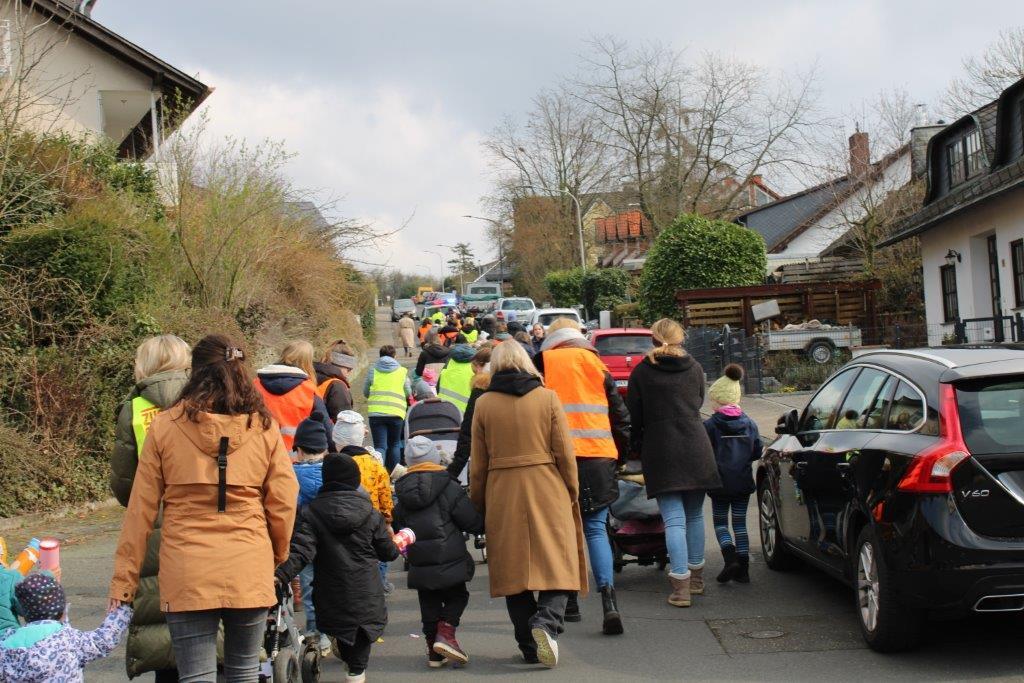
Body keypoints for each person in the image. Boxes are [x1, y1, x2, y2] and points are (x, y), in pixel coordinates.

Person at [109, 334, 299, 681]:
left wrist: (124, 581)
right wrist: (276, 555)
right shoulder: (263, 427)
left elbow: (140, 511)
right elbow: (284, 500)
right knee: (244, 670)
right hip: (249, 561)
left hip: (186, 567)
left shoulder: (166, 426)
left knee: (195, 675)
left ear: (193, 372)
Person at [469, 341, 586, 668]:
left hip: (502, 491)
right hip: (547, 485)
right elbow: (565, 452)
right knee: (559, 563)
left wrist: (479, 502)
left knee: (513, 573)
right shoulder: (547, 397)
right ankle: (546, 623)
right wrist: (571, 490)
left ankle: (529, 646)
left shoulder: (484, 404)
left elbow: (478, 463)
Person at [534, 318, 630, 635]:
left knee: (563, 532)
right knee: (595, 528)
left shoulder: (543, 363)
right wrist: (620, 456)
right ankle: (609, 601)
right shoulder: (596, 364)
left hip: (556, 460)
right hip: (599, 456)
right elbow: (620, 416)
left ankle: (570, 602)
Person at [275, 453, 400, 683]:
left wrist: (280, 574)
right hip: (366, 591)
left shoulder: (311, 513)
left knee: (343, 632)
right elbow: (388, 552)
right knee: (360, 643)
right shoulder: (370, 513)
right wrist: (398, 544)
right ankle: (355, 673)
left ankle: (351, 664)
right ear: (355, 480)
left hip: (331, 591)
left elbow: (301, 551)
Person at [110, 334, 191, 682]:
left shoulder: (134, 409)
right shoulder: (205, 401)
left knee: (160, 616)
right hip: (202, 517)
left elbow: (124, 485)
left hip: (153, 523)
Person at [625, 319, 720, 608]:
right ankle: (697, 579)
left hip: (661, 449)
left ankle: (680, 589)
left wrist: (633, 447)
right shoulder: (695, 367)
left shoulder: (642, 372)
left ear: (653, 340)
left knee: (674, 521)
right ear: (681, 338)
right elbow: (699, 402)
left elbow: (634, 416)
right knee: (694, 516)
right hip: (696, 446)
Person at [394, 437, 484, 668]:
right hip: (451, 557)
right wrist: (482, 525)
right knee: (458, 596)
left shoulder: (402, 494)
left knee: (428, 603)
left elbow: (398, 524)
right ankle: (446, 631)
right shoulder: (449, 487)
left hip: (420, 561)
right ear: (435, 458)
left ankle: (434, 652)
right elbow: (470, 521)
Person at [0, 574, 132, 682]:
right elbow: (104, 639)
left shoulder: (5, 643)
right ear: (62, 611)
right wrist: (124, 606)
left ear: (23, 611)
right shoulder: (69, 640)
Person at [704, 364, 763, 584]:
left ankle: (730, 560)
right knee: (740, 524)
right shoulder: (750, 424)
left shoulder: (710, 425)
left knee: (720, 523)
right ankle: (744, 570)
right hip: (742, 482)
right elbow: (757, 451)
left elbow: (705, 453)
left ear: (719, 401)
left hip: (719, 483)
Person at [333, 411, 396, 594]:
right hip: (373, 520)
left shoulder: (335, 464)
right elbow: (385, 495)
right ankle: (380, 583)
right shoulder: (375, 465)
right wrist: (388, 521)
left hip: (343, 520)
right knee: (377, 553)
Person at [292, 415, 332, 656]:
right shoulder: (333, 473)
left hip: (303, 542)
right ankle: (333, 630)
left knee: (309, 588)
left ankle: (316, 632)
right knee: (333, 586)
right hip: (333, 541)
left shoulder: (291, 476)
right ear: (325, 449)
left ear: (298, 449)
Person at [255, 340, 334, 452]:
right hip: (296, 455)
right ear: (307, 362)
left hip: (261, 452)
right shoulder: (308, 389)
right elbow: (327, 428)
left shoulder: (255, 385)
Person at [363, 345, 412, 472]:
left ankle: (379, 474)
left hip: (376, 413)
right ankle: (394, 475)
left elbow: (366, 391)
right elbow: (408, 392)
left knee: (380, 446)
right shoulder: (402, 371)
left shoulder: (373, 370)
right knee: (395, 444)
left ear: (380, 356)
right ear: (394, 356)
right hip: (397, 412)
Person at [447, 345, 492, 482]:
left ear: (479, 366)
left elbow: (467, 433)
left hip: (488, 458)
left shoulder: (480, 388)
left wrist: (452, 472)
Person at [314, 339, 356, 419]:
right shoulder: (337, 385)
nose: (349, 373)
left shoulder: (311, 376)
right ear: (339, 365)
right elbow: (344, 421)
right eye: (348, 369)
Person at [437, 343, 476, 415]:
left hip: (443, 409)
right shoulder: (474, 370)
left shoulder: (448, 365)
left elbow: (438, 388)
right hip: (463, 413)